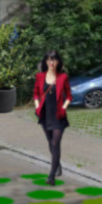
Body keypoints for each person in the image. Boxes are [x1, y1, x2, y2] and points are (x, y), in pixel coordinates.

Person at [33, 51, 72, 185]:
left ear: (58, 62)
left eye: (54, 60)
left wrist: (63, 108)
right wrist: (37, 107)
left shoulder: (63, 77)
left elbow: (69, 97)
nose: (51, 62)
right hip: (45, 115)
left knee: (55, 143)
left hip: (58, 116)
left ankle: (51, 176)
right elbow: (36, 94)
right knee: (50, 143)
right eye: (49, 60)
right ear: (45, 61)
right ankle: (57, 164)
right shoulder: (39, 76)